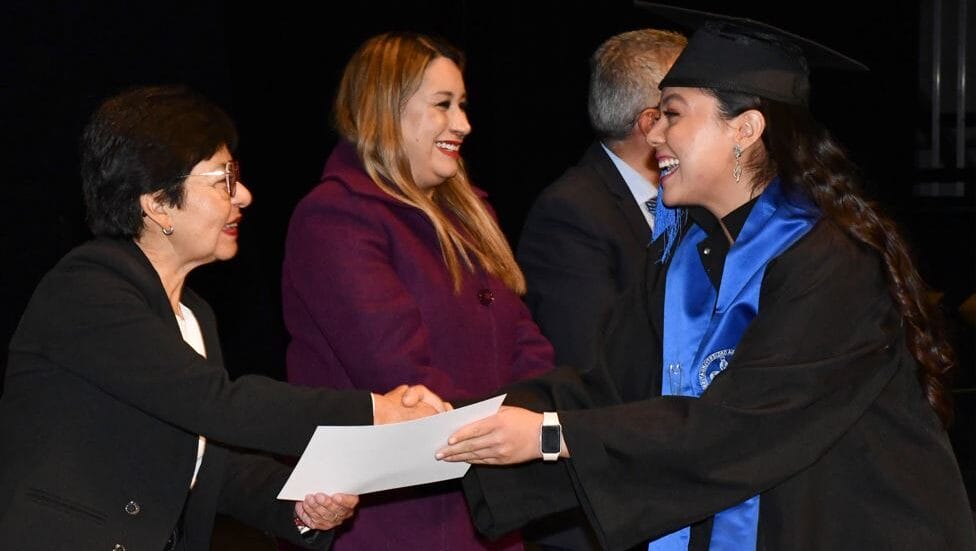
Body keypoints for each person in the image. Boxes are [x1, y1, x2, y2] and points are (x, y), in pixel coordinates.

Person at [437, 6, 976, 550]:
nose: (653, 133)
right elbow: (607, 388)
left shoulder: (832, 260)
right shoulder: (685, 257)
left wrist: (551, 436)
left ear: (745, 129)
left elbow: (742, 424)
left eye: (672, 113)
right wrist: (450, 421)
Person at [0, 84, 446, 551]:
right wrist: (374, 412)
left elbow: (211, 462)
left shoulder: (194, 315)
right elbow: (218, 404)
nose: (245, 196)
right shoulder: (87, 289)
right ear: (157, 203)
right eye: (223, 180)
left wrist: (299, 504)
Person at [280, 31, 555, 550]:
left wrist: (538, 419)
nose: (463, 124)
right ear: (385, 109)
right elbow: (400, 375)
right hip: (394, 521)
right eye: (443, 104)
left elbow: (525, 340)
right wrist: (509, 433)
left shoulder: (471, 212)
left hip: (488, 506)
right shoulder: (336, 217)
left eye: (463, 105)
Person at [515, 28, 686, 551]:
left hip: (668, 487)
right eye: (684, 108)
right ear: (651, 124)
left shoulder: (689, 202)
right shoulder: (572, 213)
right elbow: (595, 371)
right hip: (604, 517)